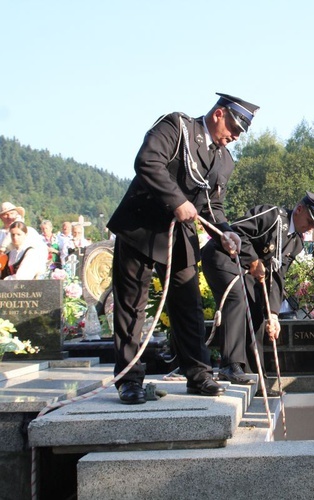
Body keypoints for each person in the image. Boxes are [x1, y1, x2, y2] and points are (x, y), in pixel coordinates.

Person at [107, 93, 257, 405]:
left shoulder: (225, 160)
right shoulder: (178, 127)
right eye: (233, 127)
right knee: (131, 306)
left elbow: (213, 208)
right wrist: (177, 201)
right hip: (141, 226)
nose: (235, 136)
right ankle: (129, 380)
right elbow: (147, 162)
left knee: (187, 305)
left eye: (240, 133)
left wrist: (226, 234)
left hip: (181, 235)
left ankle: (198, 373)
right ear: (218, 114)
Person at [201, 192, 314, 394]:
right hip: (222, 258)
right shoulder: (272, 216)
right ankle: (230, 364)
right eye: (310, 220)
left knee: (258, 314)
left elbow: (278, 276)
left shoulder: (295, 242)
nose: (311, 227)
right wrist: (253, 260)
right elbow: (236, 231)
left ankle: (257, 378)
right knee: (238, 297)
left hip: (248, 272)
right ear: (299, 210)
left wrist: (273, 314)